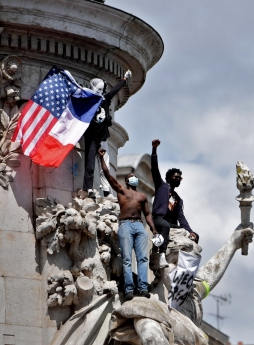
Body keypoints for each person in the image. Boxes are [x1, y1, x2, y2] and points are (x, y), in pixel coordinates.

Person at [98, 148, 157, 300]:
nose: (134, 178)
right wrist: (102, 159)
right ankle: (129, 288)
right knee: (126, 259)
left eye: (135, 177)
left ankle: (143, 287)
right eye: (131, 177)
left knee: (143, 258)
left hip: (139, 225)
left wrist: (154, 230)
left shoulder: (142, 196)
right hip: (125, 225)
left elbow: (148, 214)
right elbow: (108, 176)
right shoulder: (121, 190)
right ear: (126, 181)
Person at [151, 139, 198, 268]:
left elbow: (181, 218)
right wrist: (154, 150)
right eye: (175, 177)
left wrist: (190, 231)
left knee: (190, 235)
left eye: (180, 178)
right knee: (165, 226)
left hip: (172, 223)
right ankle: (161, 255)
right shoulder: (161, 186)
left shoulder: (178, 198)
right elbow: (154, 169)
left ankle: (189, 266)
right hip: (158, 220)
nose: (178, 179)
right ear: (169, 178)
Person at [84, 72, 130, 198]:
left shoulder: (105, 100)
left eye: (102, 90)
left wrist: (124, 80)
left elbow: (114, 91)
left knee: (105, 165)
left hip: (103, 137)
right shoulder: (89, 102)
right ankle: (88, 188)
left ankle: (106, 190)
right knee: (90, 165)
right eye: (98, 89)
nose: (100, 92)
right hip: (92, 138)